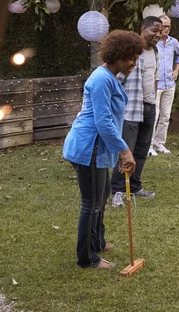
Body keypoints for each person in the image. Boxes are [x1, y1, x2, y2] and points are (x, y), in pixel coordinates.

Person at [63, 30, 142, 269]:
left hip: (98, 148)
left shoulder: (110, 78)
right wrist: (124, 150)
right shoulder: (101, 79)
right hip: (89, 148)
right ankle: (87, 259)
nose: (134, 63)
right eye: (131, 57)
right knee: (92, 203)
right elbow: (103, 121)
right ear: (118, 55)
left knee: (102, 196)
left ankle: (97, 242)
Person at [111, 16, 162, 206]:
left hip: (149, 106)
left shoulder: (156, 51)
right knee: (127, 150)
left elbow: (154, 77)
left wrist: (153, 100)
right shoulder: (132, 51)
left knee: (142, 150)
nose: (158, 34)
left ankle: (135, 186)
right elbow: (117, 77)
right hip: (131, 107)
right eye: (154, 30)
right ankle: (117, 190)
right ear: (143, 29)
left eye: (160, 31)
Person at [148, 14, 179, 156]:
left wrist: (176, 70)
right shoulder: (152, 42)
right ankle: (149, 145)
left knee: (165, 116)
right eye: (163, 26)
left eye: (168, 26)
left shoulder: (173, 42)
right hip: (155, 85)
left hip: (169, 83)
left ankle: (159, 143)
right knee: (154, 116)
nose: (166, 29)